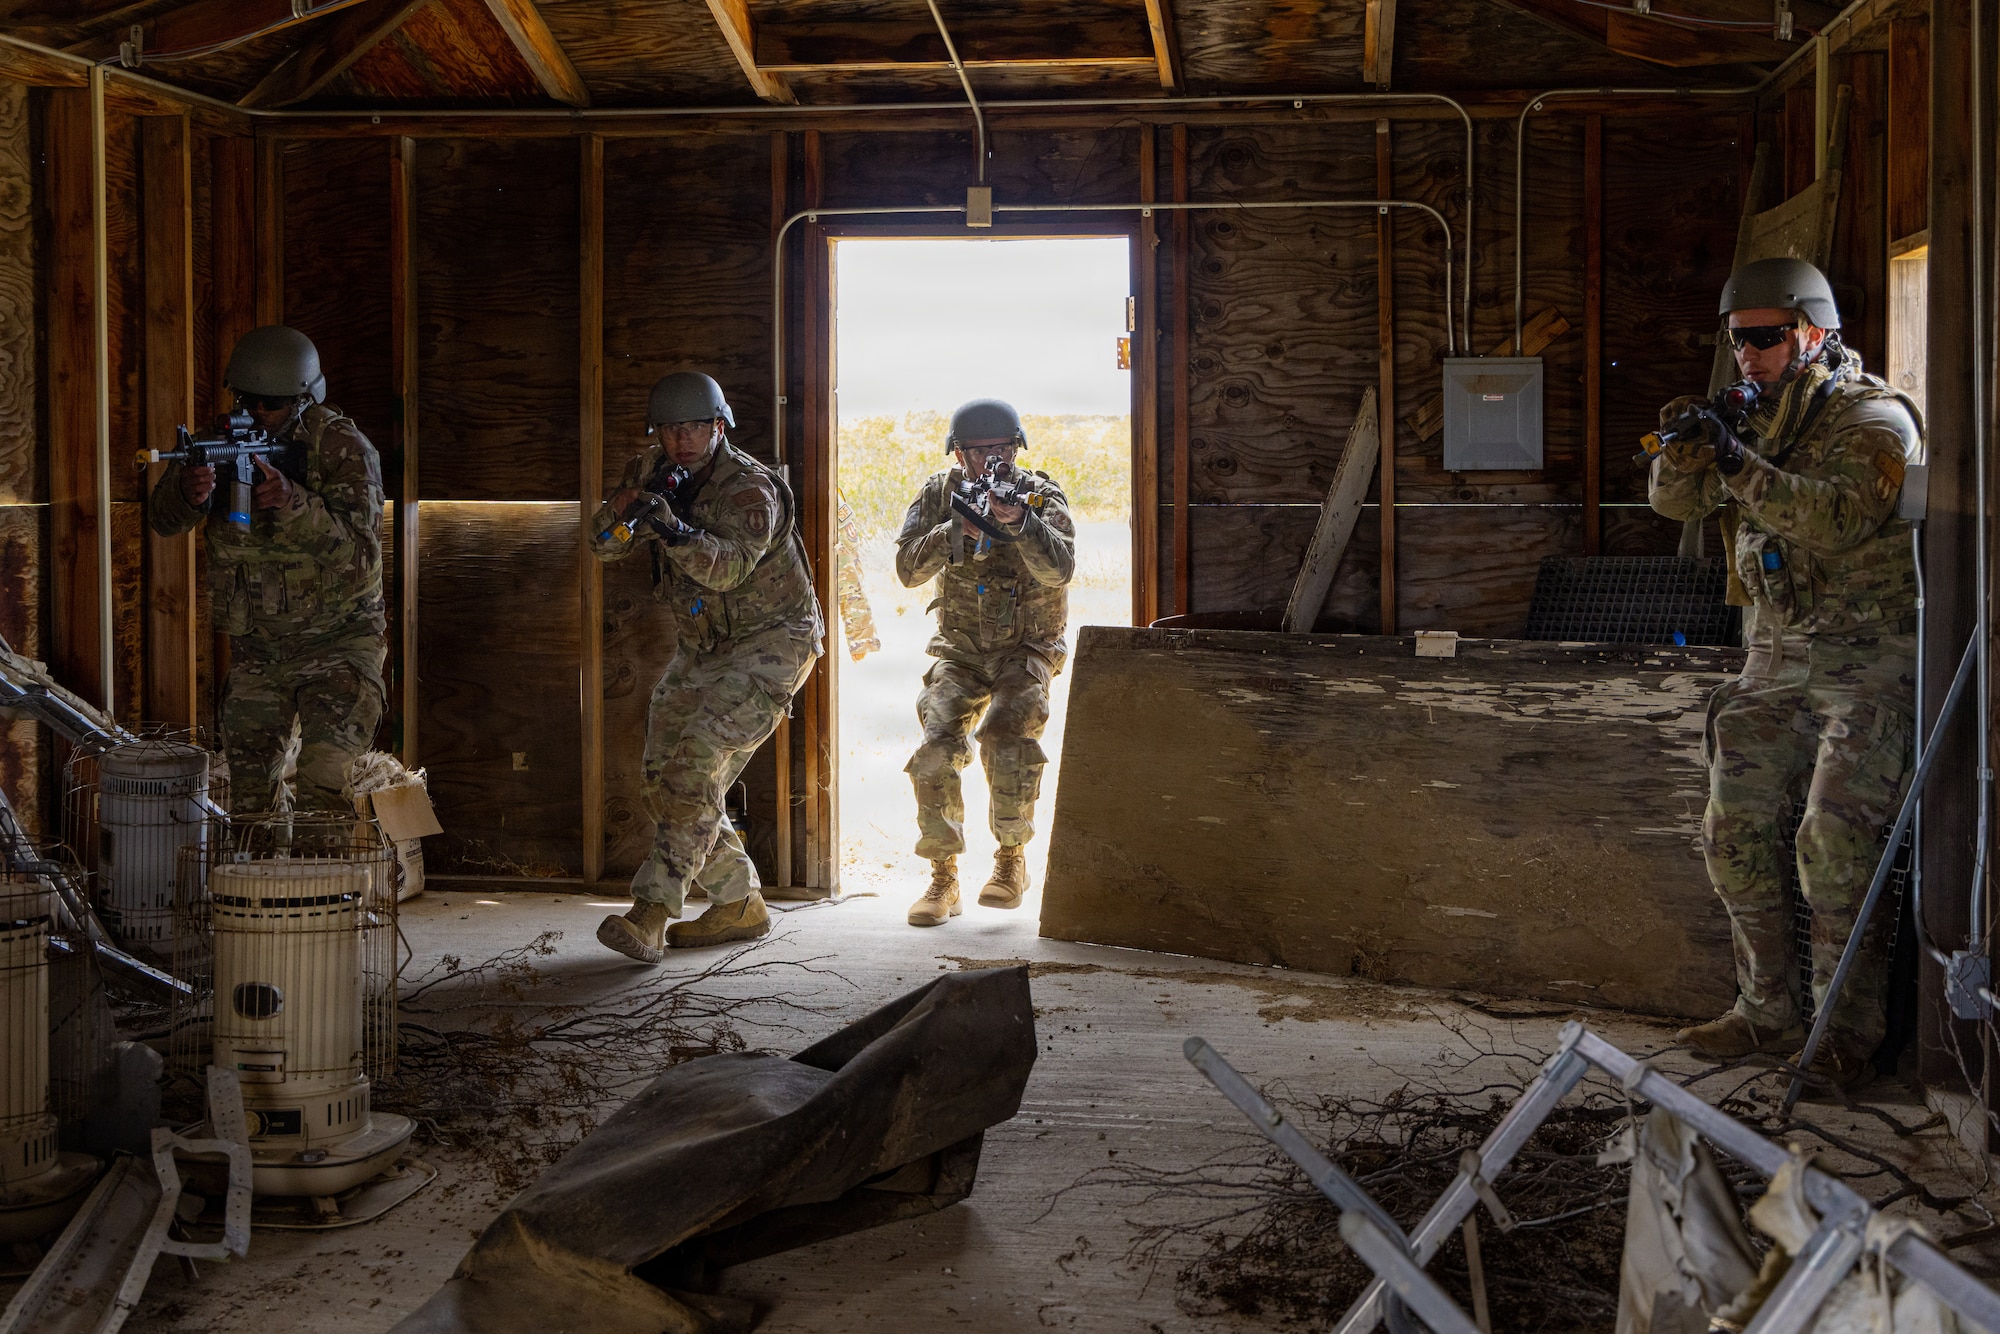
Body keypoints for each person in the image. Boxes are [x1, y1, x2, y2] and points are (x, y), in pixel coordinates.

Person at [1649, 257, 1922, 1092]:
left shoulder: (1872, 418)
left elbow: (1836, 521)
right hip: (1775, 659)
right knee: (1730, 833)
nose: (1749, 354)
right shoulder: (1755, 414)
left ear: (1813, 333)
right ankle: (1765, 1012)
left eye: (1766, 337)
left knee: (1832, 842)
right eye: (1738, 340)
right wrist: (1688, 448)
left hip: (1866, 662)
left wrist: (1735, 461)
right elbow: (1671, 505)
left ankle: (1845, 1036)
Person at [589, 372, 823, 962]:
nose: (681, 441)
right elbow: (602, 545)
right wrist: (623, 511)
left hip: (773, 644)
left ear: (719, 427)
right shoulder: (651, 472)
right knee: (660, 779)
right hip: (704, 647)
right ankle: (740, 902)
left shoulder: (751, 489)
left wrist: (673, 529)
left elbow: (728, 570)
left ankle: (651, 913)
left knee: (694, 768)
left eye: (694, 427)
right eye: (670, 430)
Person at [148, 325, 385, 815]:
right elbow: (162, 521)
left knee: (324, 790)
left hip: (339, 645)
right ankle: (262, 866)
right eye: (246, 399)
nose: (257, 411)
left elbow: (361, 559)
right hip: (258, 651)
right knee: (252, 804)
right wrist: (188, 495)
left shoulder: (342, 448)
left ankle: (326, 868)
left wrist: (294, 503)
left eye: (271, 403)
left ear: (302, 400)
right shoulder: (215, 442)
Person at [894, 399, 1076, 927]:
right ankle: (943, 877)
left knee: (1006, 737)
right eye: (979, 451)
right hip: (961, 649)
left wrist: (1022, 523)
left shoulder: (1040, 496)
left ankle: (1011, 859)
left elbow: (1060, 570)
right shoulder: (938, 495)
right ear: (958, 454)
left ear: (1016, 449)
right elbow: (907, 570)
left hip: (1027, 646)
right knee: (935, 750)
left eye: (1002, 449)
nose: (992, 459)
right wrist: (957, 531)